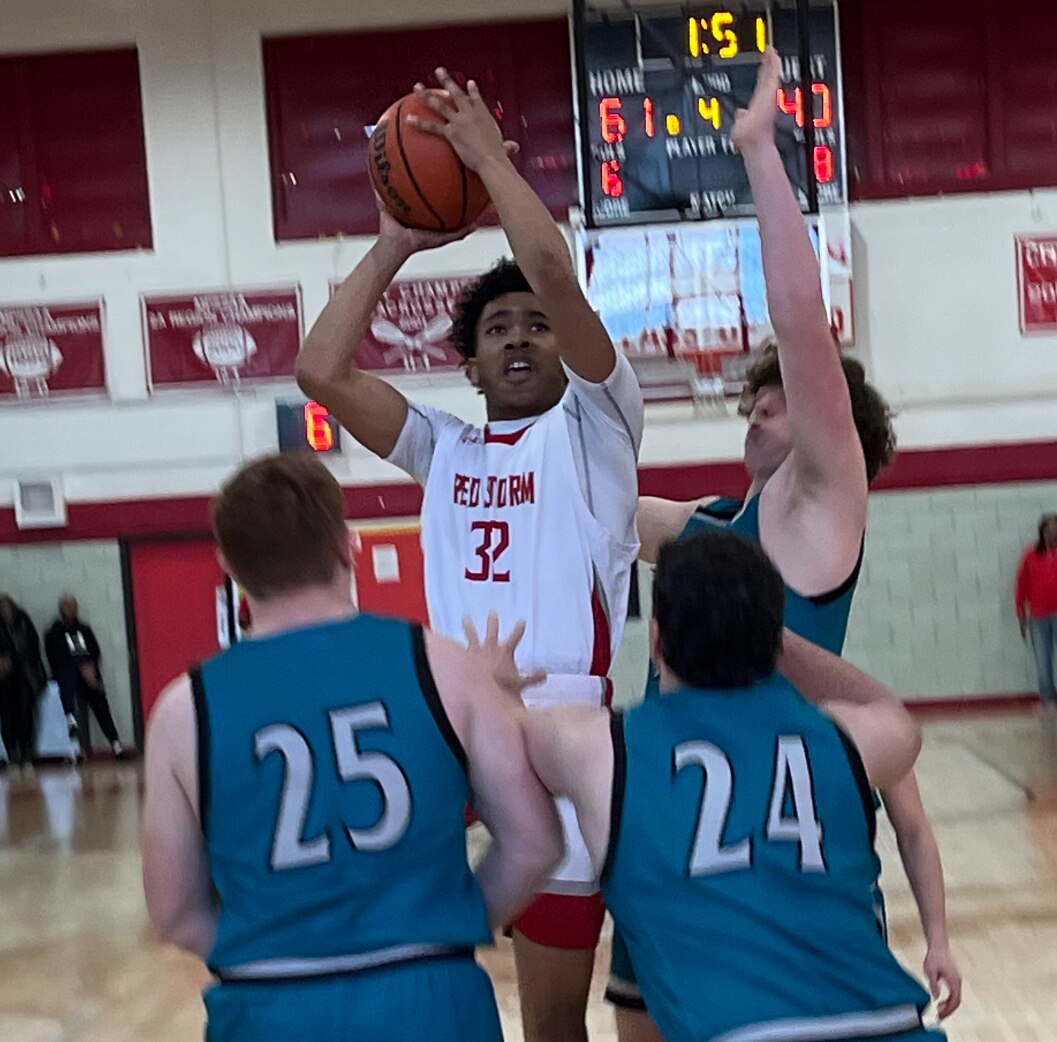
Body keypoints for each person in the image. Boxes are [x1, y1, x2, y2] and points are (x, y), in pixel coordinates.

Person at [613, 50, 958, 1038]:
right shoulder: (718, 523)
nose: (770, 410)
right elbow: (597, 509)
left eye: (787, 399)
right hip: (668, 817)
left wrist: (759, 154)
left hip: (780, 828)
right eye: (760, 399)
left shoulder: (821, 504)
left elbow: (803, 324)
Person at [297, 68, 644, 1042]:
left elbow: (554, 276)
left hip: (564, 735)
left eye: (535, 324)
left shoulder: (596, 428)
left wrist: (489, 161)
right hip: (451, 736)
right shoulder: (440, 446)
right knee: (418, 1000)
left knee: (555, 1027)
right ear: (470, 362)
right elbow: (318, 368)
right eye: (499, 328)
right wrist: (400, 239)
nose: (522, 336)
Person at [141, 453, 562, 1042]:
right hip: (430, 998)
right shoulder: (441, 665)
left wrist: (274, 956)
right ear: (347, 545)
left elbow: (175, 912)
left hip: (269, 1008)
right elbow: (535, 842)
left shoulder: (182, 710)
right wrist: (446, 928)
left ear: (228, 564)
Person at [523, 529, 945, 1042]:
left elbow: (491, 736)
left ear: (657, 640)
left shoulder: (604, 747)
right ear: (773, 636)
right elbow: (896, 719)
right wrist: (777, 640)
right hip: (892, 1026)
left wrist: (493, 677)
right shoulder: (840, 736)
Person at [44, 595, 123, 757]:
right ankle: (71, 723)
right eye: (66, 607)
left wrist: (90, 668)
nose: (70, 610)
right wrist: (80, 668)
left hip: (89, 676)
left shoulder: (84, 630)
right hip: (68, 674)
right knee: (68, 680)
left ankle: (116, 743)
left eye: (72, 607)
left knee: (99, 702)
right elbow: (55, 657)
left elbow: (95, 651)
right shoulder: (54, 632)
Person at [1015, 513, 1057, 711]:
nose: (1053, 532)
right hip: (1039, 618)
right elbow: (1022, 586)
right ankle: (1048, 700)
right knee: (1043, 660)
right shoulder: (1031, 555)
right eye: (1049, 528)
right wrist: (1021, 614)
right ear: (1042, 531)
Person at [0, 595, 46, 768]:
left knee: (25, 708)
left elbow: (31, 649)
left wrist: (11, 660)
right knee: (6, 711)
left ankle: (26, 751)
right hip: (5, 677)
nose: (5, 612)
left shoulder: (24, 623)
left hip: (27, 674)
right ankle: (12, 751)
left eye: (7, 608)